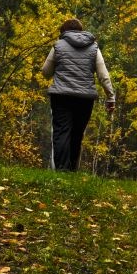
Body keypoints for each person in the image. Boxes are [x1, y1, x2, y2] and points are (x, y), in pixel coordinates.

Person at [42, 17, 115, 171]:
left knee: (62, 131)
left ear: (64, 31)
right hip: (84, 98)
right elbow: (103, 75)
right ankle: (72, 169)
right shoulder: (93, 47)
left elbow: (46, 72)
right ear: (81, 31)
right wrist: (110, 97)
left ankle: (62, 170)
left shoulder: (58, 46)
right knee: (77, 133)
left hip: (61, 96)